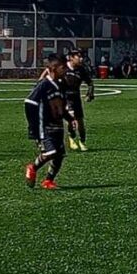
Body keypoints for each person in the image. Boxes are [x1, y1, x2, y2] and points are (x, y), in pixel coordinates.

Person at [24, 54, 69, 190]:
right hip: (45, 128)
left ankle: (48, 181)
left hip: (58, 127)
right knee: (51, 152)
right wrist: (33, 126)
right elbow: (29, 102)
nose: (66, 70)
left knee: (59, 155)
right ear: (54, 68)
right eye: (63, 67)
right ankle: (33, 167)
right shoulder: (44, 84)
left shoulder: (61, 84)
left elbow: (61, 106)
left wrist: (70, 119)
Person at [63, 48, 95, 151]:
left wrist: (90, 94)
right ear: (71, 58)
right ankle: (71, 137)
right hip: (66, 97)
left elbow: (90, 83)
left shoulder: (81, 70)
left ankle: (82, 141)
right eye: (79, 56)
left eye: (82, 57)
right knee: (71, 118)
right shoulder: (63, 68)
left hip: (76, 97)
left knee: (80, 121)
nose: (81, 59)